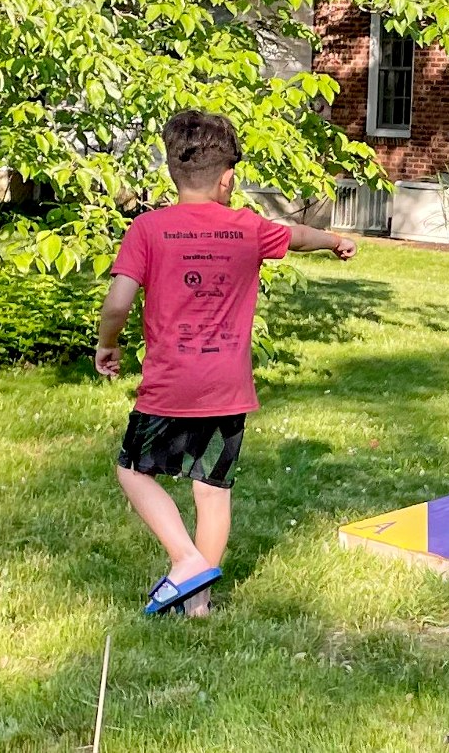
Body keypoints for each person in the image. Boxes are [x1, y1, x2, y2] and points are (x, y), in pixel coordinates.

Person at [95, 110, 356, 616]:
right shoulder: (247, 227)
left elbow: (118, 303)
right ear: (228, 179)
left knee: (132, 470)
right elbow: (297, 236)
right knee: (211, 490)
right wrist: (334, 241)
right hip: (226, 387)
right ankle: (199, 603)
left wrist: (108, 343)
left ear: (173, 173)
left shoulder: (148, 229)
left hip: (169, 384)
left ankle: (184, 558)